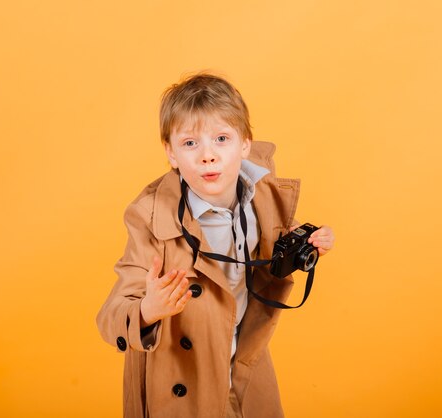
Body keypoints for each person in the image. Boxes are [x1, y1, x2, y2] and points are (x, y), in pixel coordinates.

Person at [97, 73, 335, 418]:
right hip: (179, 382)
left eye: (221, 138)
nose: (207, 156)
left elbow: (264, 264)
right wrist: (149, 309)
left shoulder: (264, 196)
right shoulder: (149, 218)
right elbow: (110, 316)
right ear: (171, 153)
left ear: (244, 145)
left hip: (243, 369)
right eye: (190, 143)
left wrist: (306, 247)